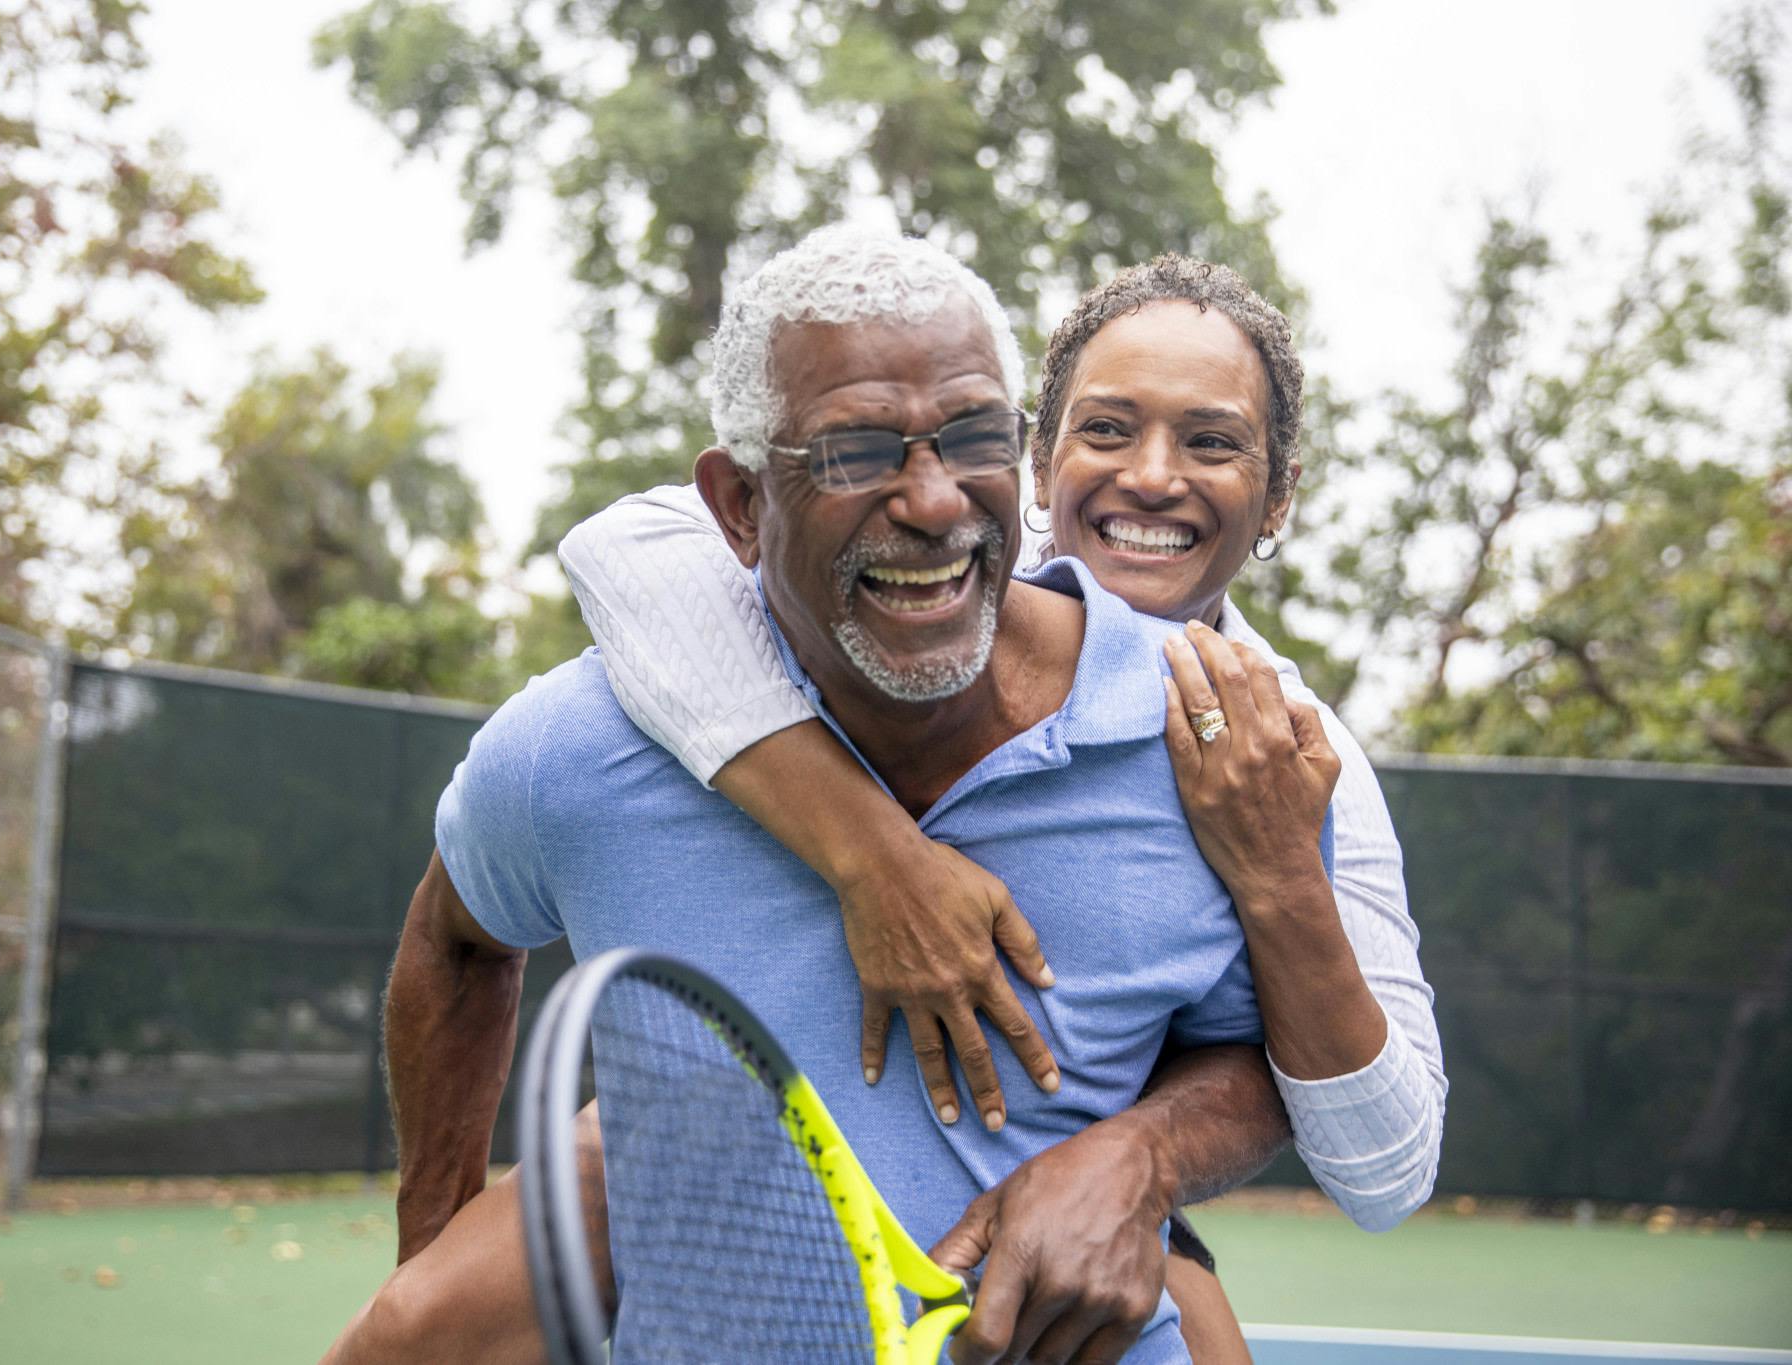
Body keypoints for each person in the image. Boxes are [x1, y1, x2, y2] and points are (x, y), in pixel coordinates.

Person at [330, 225, 1325, 1365]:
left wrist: (1142, 1157)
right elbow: (454, 940)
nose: (935, 501)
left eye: (972, 437)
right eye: (855, 452)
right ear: (741, 507)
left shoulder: (1217, 749)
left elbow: (1266, 1053)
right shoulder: (578, 747)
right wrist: (429, 1243)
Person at [549, 254, 1448, 1352]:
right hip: (758, 1187)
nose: (1152, 476)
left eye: (1210, 441)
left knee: (1197, 1333)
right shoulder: (892, 601)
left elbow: (1384, 1166)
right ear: (1034, 457)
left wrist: (1270, 881)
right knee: (434, 1312)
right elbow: (621, 545)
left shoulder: (1294, 756)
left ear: (1278, 494)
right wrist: (875, 856)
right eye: (1107, 429)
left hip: (1096, 1202)